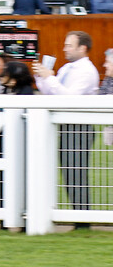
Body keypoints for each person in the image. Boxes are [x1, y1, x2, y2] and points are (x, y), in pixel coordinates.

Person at [32, 31, 100, 218]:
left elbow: (69, 98)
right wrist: (41, 77)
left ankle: (82, 218)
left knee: (76, 174)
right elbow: (51, 94)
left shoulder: (86, 71)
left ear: (82, 48)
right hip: (66, 127)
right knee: (69, 174)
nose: (65, 49)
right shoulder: (67, 69)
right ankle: (78, 216)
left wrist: (49, 77)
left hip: (79, 127)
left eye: (69, 45)